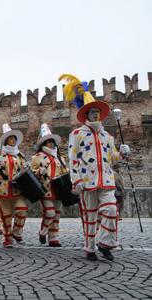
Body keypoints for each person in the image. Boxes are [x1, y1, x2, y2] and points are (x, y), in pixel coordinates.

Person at [60, 74, 130, 261]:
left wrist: (122, 153)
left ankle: (106, 243)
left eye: (98, 112)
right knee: (90, 217)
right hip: (87, 181)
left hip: (106, 180)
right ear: (86, 115)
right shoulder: (77, 134)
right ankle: (90, 247)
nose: (96, 115)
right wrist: (76, 180)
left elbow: (112, 159)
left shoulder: (107, 136)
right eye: (92, 112)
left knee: (111, 210)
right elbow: (73, 159)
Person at [0, 124, 29, 247]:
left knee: (22, 210)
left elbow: (24, 169)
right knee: (6, 215)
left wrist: (27, 168)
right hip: (3, 188)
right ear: (6, 140)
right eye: (11, 138)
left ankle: (17, 232)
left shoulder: (20, 154)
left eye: (14, 138)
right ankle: (7, 237)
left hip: (18, 187)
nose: (13, 140)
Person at [31, 123, 68, 246]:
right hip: (45, 188)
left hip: (58, 189)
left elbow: (64, 171)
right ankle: (43, 232)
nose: (51, 144)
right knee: (50, 212)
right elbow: (31, 172)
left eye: (52, 142)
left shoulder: (60, 158)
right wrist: (38, 172)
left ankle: (53, 238)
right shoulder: (37, 157)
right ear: (43, 144)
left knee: (57, 215)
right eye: (48, 142)